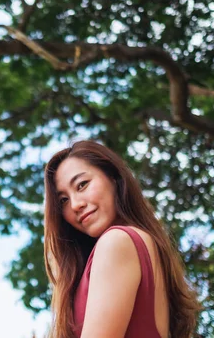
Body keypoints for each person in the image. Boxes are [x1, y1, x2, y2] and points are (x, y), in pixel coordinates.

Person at [43, 140, 201, 338]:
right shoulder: (139, 243)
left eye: (82, 185)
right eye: (63, 200)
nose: (75, 205)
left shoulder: (117, 241)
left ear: (114, 178)